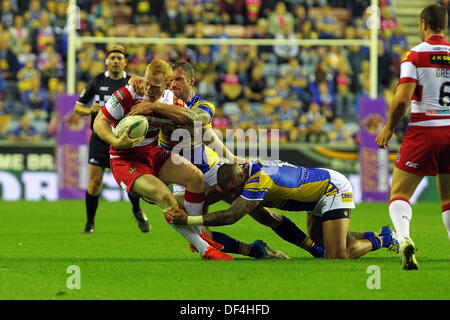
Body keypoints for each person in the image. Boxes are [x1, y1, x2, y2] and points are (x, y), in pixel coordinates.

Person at [128, 60, 290, 259]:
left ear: (191, 81)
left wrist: (229, 157)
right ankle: (256, 250)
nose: (173, 84)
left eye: (179, 79)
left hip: (210, 169)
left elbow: (201, 124)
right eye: (171, 80)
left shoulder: (200, 105)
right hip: (182, 177)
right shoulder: (161, 100)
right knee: (196, 230)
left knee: (259, 212)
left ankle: (315, 249)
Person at [94, 59, 233, 261]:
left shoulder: (171, 101)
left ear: (167, 86)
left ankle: (198, 233)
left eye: (155, 86)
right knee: (165, 197)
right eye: (147, 82)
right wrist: (116, 141)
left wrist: (228, 155)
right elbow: (100, 122)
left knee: (195, 178)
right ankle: (205, 249)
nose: (148, 88)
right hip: (124, 159)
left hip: (152, 152)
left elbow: (195, 123)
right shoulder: (127, 94)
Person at [166, 160, 400, 259]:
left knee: (338, 255)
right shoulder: (244, 175)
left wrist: (188, 220)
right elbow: (272, 219)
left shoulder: (259, 180)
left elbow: (232, 215)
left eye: (235, 190)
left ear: (240, 176)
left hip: (332, 189)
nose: (234, 196)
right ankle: (370, 235)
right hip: (315, 196)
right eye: (230, 192)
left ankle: (385, 238)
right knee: (324, 242)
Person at [375, 4, 450, 270]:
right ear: (445, 24)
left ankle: (404, 238)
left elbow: (401, 100)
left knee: (399, 193)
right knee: (448, 198)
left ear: (422, 23)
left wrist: (388, 127)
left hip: (424, 130)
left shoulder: (414, 56)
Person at [73, 45, 149, 234]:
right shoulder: (97, 81)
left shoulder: (132, 83)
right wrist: (90, 110)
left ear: (125, 62)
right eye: (112, 58)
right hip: (99, 139)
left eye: (119, 58)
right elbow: (78, 107)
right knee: (94, 183)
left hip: (123, 138)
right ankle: (90, 223)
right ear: (107, 61)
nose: (115, 61)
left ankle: (136, 209)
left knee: (131, 183)